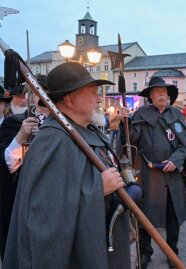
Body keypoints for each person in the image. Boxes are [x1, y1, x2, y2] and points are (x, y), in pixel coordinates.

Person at [3, 62, 142, 268]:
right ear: (69, 98)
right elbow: (44, 213)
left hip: (106, 245)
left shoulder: (90, 131)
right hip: (78, 257)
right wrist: (98, 188)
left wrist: (128, 180)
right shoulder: (53, 140)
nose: (99, 99)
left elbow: (111, 165)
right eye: (93, 92)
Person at [123, 76, 186, 269]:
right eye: (157, 91)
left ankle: (172, 251)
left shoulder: (178, 116)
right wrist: (125, 124)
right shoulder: (140, 115)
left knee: (173, 217)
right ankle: (145, 252)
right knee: (145, 215)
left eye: (165, 91)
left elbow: (185, 146)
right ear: (151, 96)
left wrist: (177, 159)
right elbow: (130, 143)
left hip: (173, 177)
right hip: (148, 176)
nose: (162, 94)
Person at [0, 75, 48, 261]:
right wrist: (21, 137)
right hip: (22, 201)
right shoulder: (16, 122)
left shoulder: (64, 124)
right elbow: (7, 165)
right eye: (34, 93)